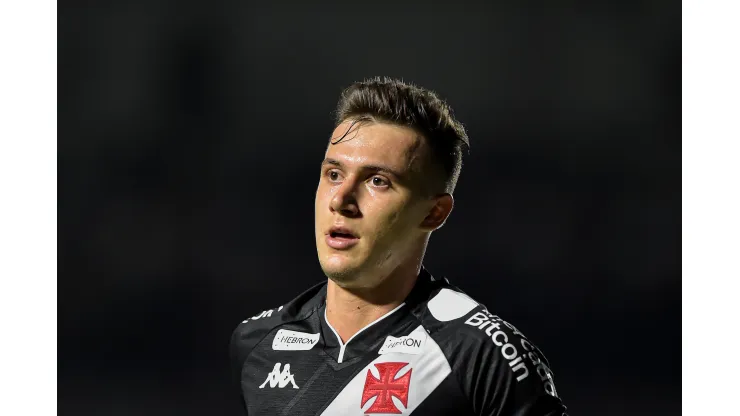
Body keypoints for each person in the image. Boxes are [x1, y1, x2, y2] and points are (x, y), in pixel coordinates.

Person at [230, 77, 568, 415]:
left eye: (378, 181)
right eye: (333, 174)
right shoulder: (256, 344)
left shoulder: (482, 355)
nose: (342, 199)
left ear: (434, 213)